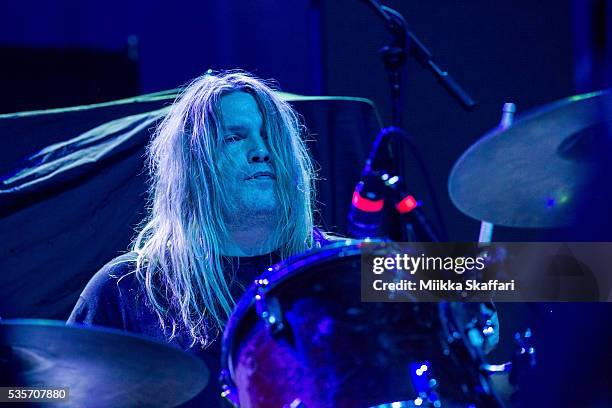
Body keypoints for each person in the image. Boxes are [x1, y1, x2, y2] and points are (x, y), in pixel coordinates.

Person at [68, 70, 326, 406]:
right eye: (235, 138)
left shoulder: (340, 265)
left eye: (270, 137)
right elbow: (50, 390)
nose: (261, 151)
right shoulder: (125, 287)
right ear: (192, 165)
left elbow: (417, 282)